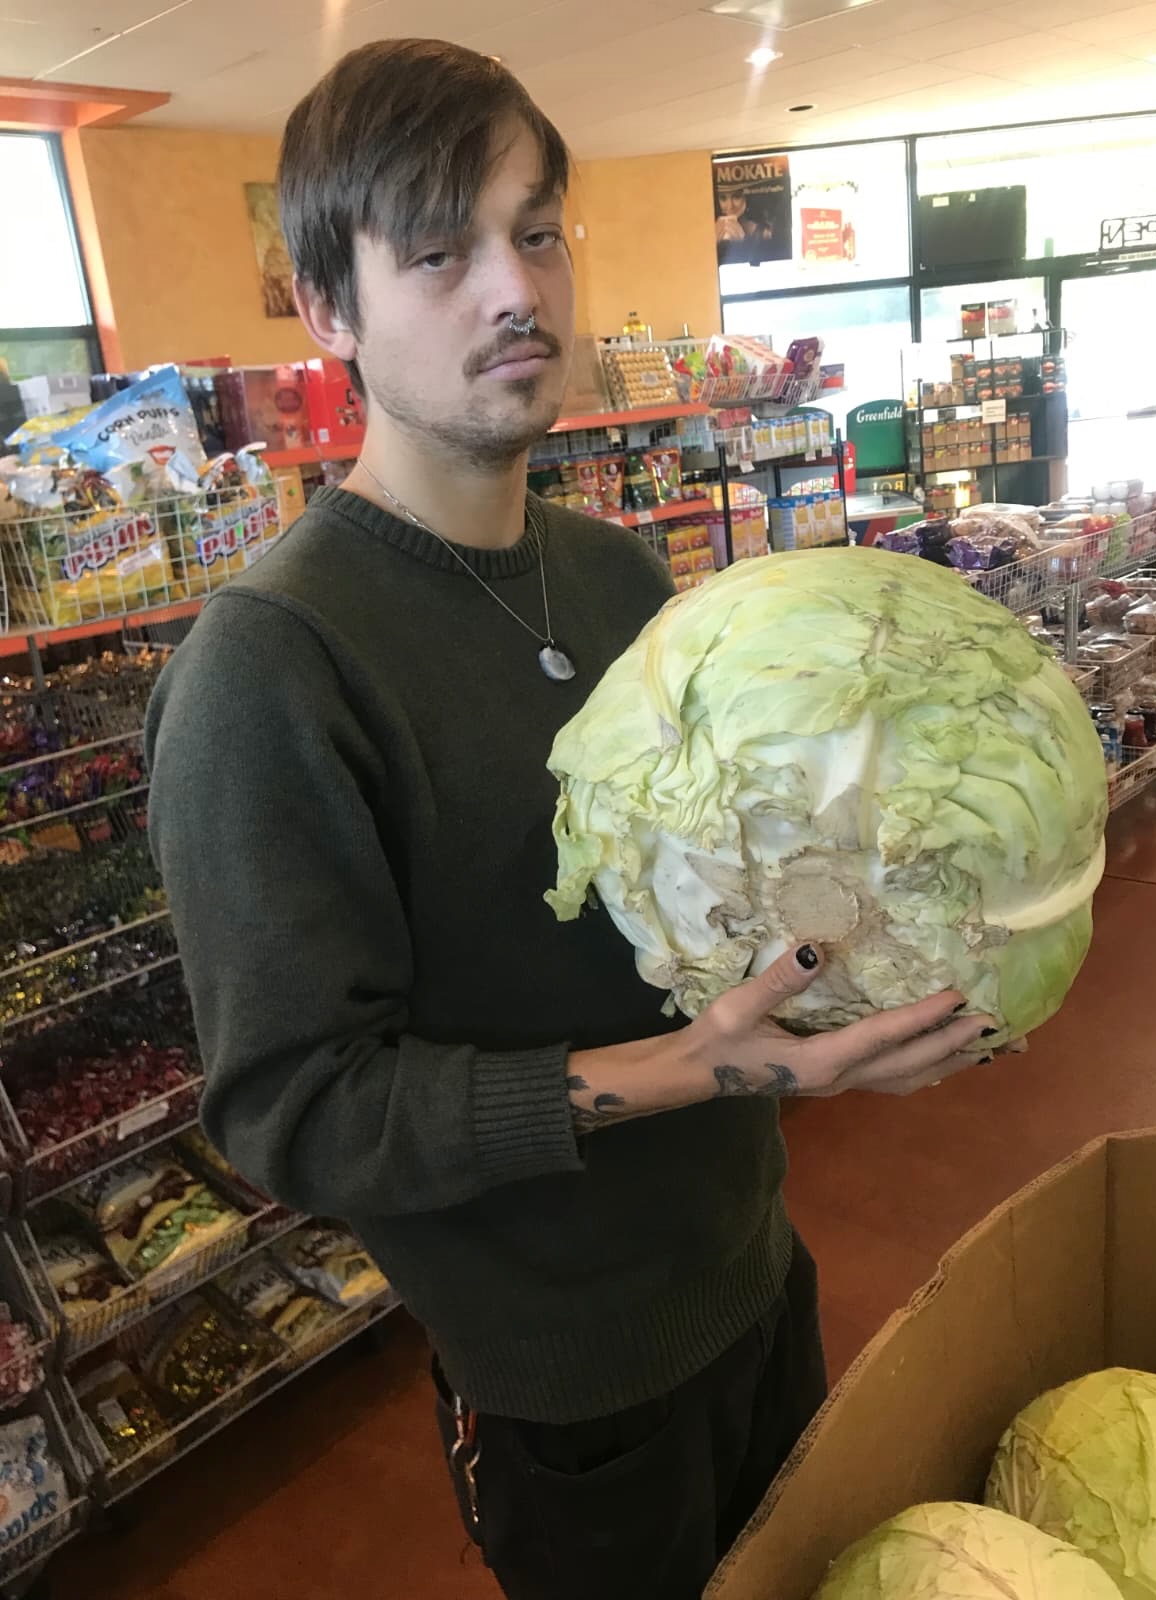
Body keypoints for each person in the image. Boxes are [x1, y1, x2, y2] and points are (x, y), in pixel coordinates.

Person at [146, 39, 995, 1600]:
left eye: (535, 231)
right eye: (439, 252)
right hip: (572, 1396)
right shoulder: (270, 667)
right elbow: (298, 1110)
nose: (512, 289)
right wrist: (689, 1070)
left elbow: (713, 917)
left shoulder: (615, 576)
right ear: (326, 308)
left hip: (759, 1273)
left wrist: (855, 999)